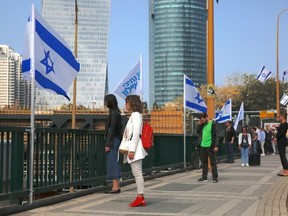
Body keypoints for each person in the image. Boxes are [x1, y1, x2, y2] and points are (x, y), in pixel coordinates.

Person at [122, 95, 148, 207]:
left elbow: (136, 133)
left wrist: (131, 150)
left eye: (127, 102)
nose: (126, 104)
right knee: (137, 173)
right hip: (135, 147)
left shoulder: (136, 115)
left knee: (137, 173)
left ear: (132, 103)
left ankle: (140, 197)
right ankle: (141, 197)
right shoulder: (135, 115)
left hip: (135, 148)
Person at [103, 94, 122, 193]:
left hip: (113, 140)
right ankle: (116, 186)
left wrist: (108, 143)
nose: (105, 103)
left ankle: (115, 187)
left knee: (113, 162)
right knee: (115, 161)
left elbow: (111, 129)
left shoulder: (113, 113)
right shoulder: (116, 112)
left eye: (106, 101)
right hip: (116, 139)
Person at [196, 113, 219, 183]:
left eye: (203, 120)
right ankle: (204, 177)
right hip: (203, 145)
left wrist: (216, 145)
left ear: (206, 117)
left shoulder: (213, 124)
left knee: (213, 162)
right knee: (204, 162)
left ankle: (215, 177)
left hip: (210, 146)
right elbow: (197, 132)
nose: (202, 121)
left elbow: (217, 135)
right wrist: (199, 124)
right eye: (201, 121)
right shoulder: (202, 124)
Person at [275, 112, 288, 176]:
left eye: (280, 116)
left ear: (283, 116)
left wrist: (276, 137)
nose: (279, 117)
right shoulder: (281, 124)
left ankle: (287, 170)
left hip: (282, 142)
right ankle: (284, 170)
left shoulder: (285, 124)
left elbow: (282, 133)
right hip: (280, 141)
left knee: (283, 156)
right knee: (281, 156)